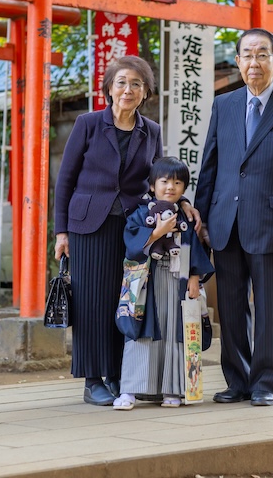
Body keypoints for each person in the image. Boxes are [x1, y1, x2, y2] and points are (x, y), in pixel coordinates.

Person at [54, 57, 200, 407]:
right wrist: (61, 232)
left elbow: (162, 177)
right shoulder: (87, 124)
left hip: (135, 227)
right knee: (92, 300)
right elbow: (65, 180)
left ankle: (123, 375)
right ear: (109, 88)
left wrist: (182, 203)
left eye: (136, 84)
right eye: (121, 82)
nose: (128, 90)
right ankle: (93, 379)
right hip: (89, 225)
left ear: (145, 92)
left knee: (129, 300)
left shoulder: (151, 130)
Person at [195, 28, 273, 407]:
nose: (254, 62)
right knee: (230, 308)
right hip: (224, 224)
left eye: (262, 54)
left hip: (272, 226)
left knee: (268, 310)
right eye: (247, 54)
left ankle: (264, 382)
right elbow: (210, 165)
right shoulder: (224, 105)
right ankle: (237, 379)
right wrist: (200, 217)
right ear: (238, 60)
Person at [113, 156, 214, 410]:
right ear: (152, 186)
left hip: (178, 279)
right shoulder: (140, 214)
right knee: (141, 332)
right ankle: (130, 390)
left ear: (183, 189)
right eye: (165, 181)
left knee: (175, 331)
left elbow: (193, 248)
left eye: (178, 183)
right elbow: (131, 244)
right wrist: (156, 232)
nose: (171, 187)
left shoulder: (185, 217)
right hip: (146, 280)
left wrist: (194, 277)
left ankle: (173, 389)